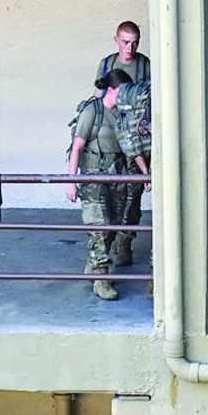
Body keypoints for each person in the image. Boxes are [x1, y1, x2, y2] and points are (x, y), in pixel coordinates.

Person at [65, 67, 147, 302]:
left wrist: (144, 173)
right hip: (93, 177)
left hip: (117, 176)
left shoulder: (123, 115)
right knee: (100, 227)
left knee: (113, 226)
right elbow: (77, 146)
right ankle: (101, 279)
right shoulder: (93, 111)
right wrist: (72, 182)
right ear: (111, 90)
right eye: (123, 91)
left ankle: (93, 265)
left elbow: (131, 145)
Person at [96, 22, 150, 86]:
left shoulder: (145, 64)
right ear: (116, 39)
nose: (130, 48)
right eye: (126, 42)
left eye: (135, 43)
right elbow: (98, 94)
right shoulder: (106, 64)